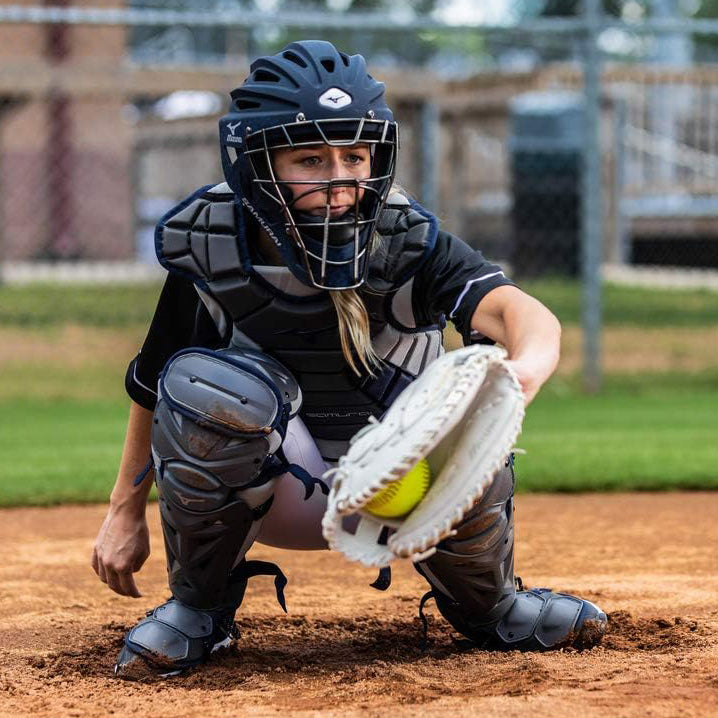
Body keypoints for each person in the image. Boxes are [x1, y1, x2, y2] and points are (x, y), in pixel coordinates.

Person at [92, 40, 607, 677]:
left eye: (355, 156)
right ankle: (199, 609)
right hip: (279, 487)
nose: (340, 179)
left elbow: (520, 313)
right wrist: (123, 512)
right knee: (208, 388)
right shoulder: (214, 245)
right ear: (260, 162)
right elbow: (152, 385)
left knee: (466, 397)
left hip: (402, 490)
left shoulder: (406, 238)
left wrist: (521, 369)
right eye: (310, 157)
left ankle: (489, 604)